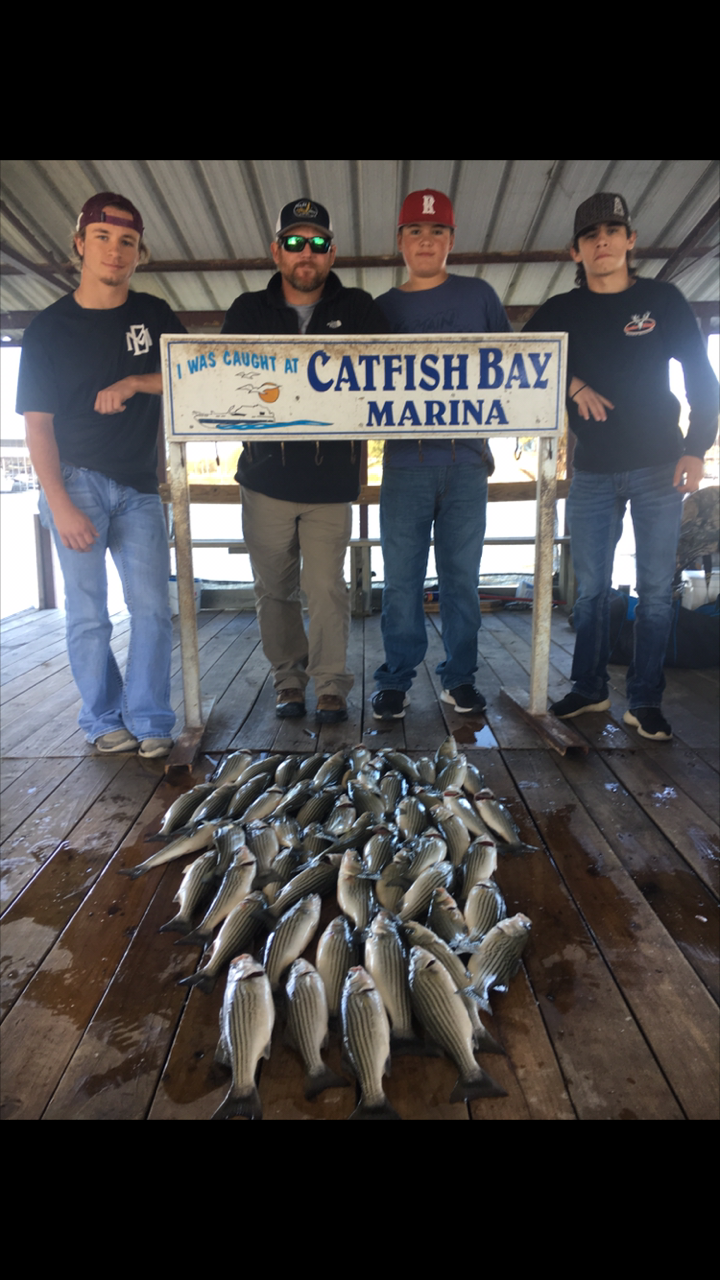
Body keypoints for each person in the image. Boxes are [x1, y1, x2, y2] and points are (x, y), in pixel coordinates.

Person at [526, 192, 719, 740]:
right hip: (591, 469)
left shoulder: (662, 300)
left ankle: (645, 700)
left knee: (656, 591)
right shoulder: (561, 309)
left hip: (661, 466)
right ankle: (589, 688)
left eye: (613, 231)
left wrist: (696, 448)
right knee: (590, 591)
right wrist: (573, 384)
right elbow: (522, 357)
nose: (602, 242)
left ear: (631, 240)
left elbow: (702, 378)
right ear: (576, 251)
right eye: (590, 235)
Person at [17, 191, 187, 757]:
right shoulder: (48, 329)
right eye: (103, 238)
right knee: (88, 612)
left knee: (153, 610)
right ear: (80, 245)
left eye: (127, 242)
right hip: (74, 482)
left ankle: (151, 718)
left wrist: (136, 382)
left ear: (139, 253)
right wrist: (59, 503)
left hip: (139, 487)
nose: (115, 251)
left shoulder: (154, 314)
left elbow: (194, 371)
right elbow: (37, 426)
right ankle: (102, 717)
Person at [222, 197, 387, 724]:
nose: (306, 252)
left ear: (332, 253)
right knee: (274, 590)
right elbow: (220, 384)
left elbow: (389, 377)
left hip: (330, 484)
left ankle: (331, 684)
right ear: (277, 251)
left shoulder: (359, 307)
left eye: (317, 243)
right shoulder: (247, 311)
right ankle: (288, 682)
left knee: (327, 589)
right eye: (294, 242)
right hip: (264, 481)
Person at [371, 189, 512, 721]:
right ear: (400, 242)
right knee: (400, 582)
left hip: (467, 463)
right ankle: (395, 679)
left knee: (462, 580)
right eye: (415, 231)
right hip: (404, 464)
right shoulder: (382, 309)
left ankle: (460, 677)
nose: (426, 241)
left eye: (436, 231)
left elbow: (513, 369)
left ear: (451, 240)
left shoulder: (480, 296)